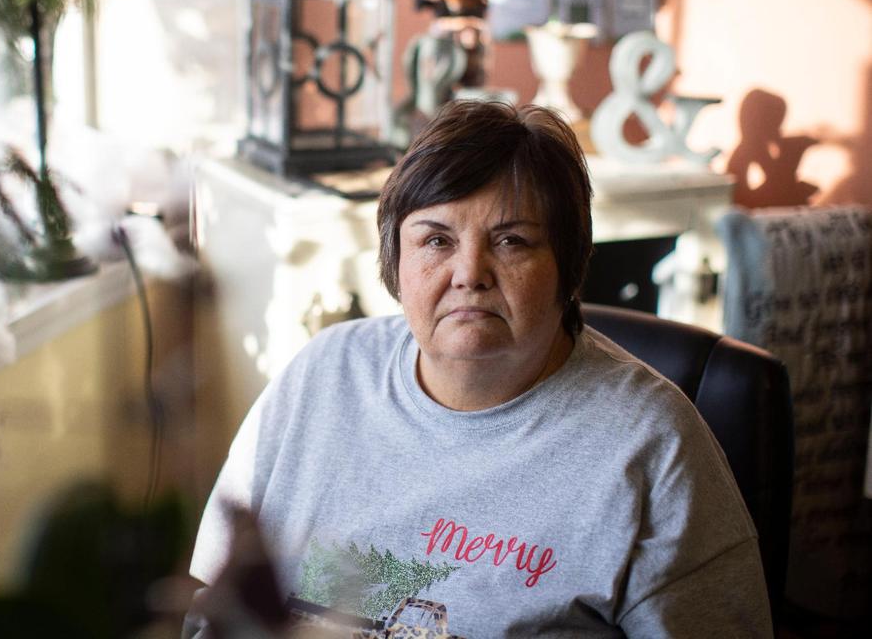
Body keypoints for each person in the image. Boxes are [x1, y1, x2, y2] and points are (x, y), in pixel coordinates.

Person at [188, 101, 771, 637]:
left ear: (568, 268)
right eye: (436, 240)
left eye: (512, 240)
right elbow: (210, 601)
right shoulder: (321, 374)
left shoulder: (652, 443)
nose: (470, 272)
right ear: (395, 261)